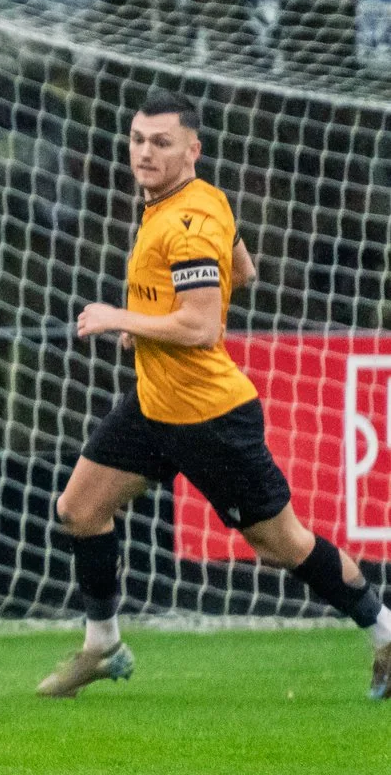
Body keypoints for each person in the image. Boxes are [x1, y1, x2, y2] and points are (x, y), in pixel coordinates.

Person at [42, 91, 391, 698]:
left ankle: (385, 631)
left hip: (210, 417)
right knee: (80, 509)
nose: (145, 153)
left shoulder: (189, 221)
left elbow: (202, 327)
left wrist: (120, 317)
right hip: (155, 404)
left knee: (284, 545)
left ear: (192, 149)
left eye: (162, 142)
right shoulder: (190, 200)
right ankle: (102, 645)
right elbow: (244, 271)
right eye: (138, 140)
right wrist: (150, 325)